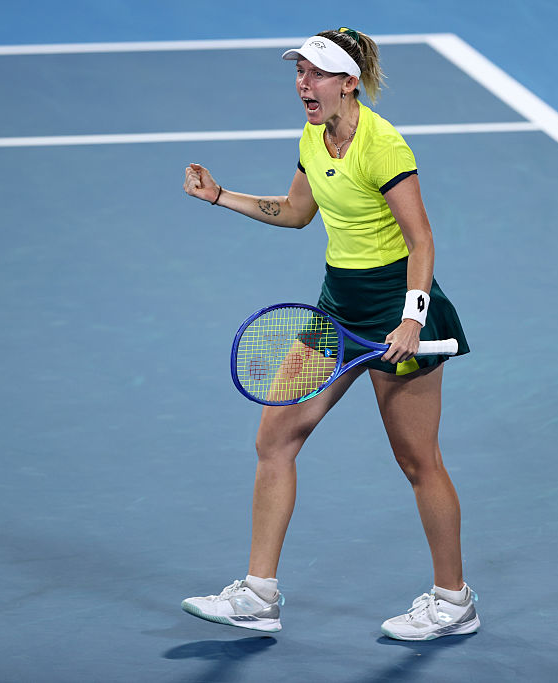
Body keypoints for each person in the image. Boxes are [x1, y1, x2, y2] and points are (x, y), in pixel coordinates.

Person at [180, 28, 477, 641]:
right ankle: (259, 595)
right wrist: (220, 197)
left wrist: (412, 317)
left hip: (397, 311)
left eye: (315, 74)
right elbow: (296, 212)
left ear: (348, 82)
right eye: (299, 73)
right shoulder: (314, 137)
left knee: (417, 460)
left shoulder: (382, 145)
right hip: (336, 310)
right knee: (275, 439)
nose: (302, 84)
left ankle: (454, 601)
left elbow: (422, 239)